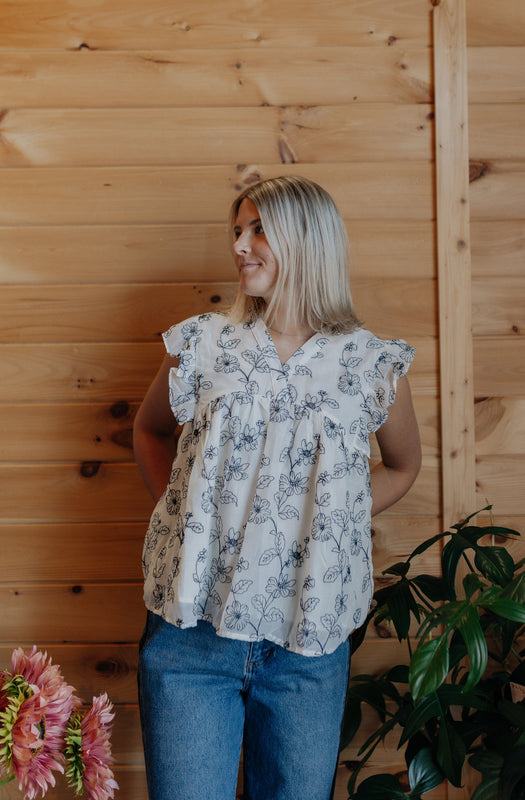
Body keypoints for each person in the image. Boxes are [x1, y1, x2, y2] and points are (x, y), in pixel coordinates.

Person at [134, 175, 421, 800]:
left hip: (308, 644)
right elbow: (151, 432)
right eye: (238, 230)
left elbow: (401, 466)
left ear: (309, 240)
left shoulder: (370, 365)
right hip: (191, 641)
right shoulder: (202, 344)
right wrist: (186, 516)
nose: (240, 244)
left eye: (258, 228)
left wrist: (325, 515)